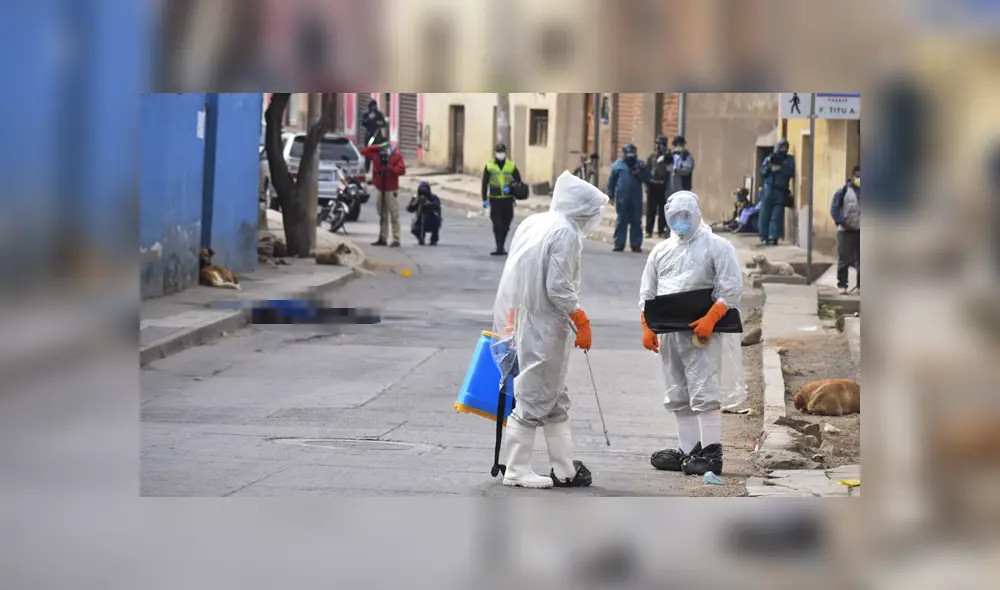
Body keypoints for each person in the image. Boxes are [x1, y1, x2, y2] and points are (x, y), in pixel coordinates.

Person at [492, 171, 610, 488]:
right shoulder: (566, 233)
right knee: (533, 396)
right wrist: (580, 318)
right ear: (582, 209)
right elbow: (558, 287)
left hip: (531, 320)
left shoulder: (538, 223)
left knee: (555, 398)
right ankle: (517, 470)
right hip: (546, 327)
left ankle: (564, 468)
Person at [639, 191, 744, 477]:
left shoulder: (717, 247)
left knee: (704, 391)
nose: (681, 221)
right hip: (669, 334)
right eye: (676, 217)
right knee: (677, 393)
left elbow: (731, 287)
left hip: (701, 333)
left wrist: (713, 316)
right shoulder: (660, 251)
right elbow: (647, 291)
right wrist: (646, 325)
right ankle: (689, 451)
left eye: (686, 216)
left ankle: (711, 453)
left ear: (696, 214)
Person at [360, 140, 407, 247]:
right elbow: (364, 151)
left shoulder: (396, 155)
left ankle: (396, 239)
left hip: (391, 188)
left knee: (394, 214)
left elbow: (402, 170)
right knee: (382, 214)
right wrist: (377, 147)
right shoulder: (376, 153)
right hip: (380, 188)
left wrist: (391, 168)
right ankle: (382, 237)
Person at [481, 143, 523, 256]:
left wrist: (512, 188)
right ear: (495, 153)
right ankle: (499, 247)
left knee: (506, 223)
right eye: (498, 152)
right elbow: (485, 183)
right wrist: (484, 199)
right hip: (494, 199)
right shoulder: (489, 166)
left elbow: (518, 181)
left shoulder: (511, 165)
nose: (500, 154)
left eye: (502, 152)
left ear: (505, 153)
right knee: (497, 224)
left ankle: (502, 245)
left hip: (508, 199)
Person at [607, 143, 649, 253]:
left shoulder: (640, 164)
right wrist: (610, 195)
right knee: (621, 220)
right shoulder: (618, 165)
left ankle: (635, 244)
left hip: (635, 198)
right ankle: (619, 243)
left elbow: (647, 178)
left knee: (636, 221)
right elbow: (611, 181)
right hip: (622, 198)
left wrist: (640, 172)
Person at [758, 138, 796, 245]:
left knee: (777, 215)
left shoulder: (789, 160)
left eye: (785, 147)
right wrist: (770, 167)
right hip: (769, 188)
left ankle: (773, 237)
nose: (783, 149)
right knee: (765, 213)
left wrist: (781, 168)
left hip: (781, 190)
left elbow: (791, 172)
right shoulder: (770, 158)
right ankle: (763, 236)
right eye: (781, 147)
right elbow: (762, 171)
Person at [830, 165, 861, 295]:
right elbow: (834, 210)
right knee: (844, 259)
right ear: (852, 177)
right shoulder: (842, 191)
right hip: (845, 231)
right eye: (858, 177)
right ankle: (842, 284)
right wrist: (843, 222)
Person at [645, 135, 672, 238]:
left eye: (660, 144)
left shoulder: (667, 157)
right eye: (657, 144)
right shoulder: (652, 157)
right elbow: (647, 171)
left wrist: (667, 157)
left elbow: (670, 169)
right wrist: (647, 185)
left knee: (662, 210)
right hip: (652, 185)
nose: (658, 147)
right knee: (651, 210)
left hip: (662, 185)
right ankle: (649, 231)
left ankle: (661, 230)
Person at [406, 181, 442, 246]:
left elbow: (437, 206)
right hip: (419, 220)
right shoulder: (416, 197)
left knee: (437, 221)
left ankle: (434, 239)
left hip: (432, 219)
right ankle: (421, 237)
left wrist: (428, 203)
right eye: (421, 189)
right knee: (414, 229)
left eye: (425, 189)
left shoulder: (433, 197)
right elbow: (409, 209)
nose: (423, 191)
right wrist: (415, 203)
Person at [361, 99, 387, 174]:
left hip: (377, 136)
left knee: (379, 153)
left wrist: (378, 122)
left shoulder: (379, 114)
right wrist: (368, 119)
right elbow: (363, 123)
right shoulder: (366, 114)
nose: (373, 107)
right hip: (369, 136)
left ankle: (379, 169)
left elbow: (384, 124)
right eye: (372, 106)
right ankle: (367, 169)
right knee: (368, 153)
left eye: (374, 105)